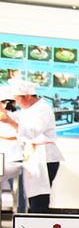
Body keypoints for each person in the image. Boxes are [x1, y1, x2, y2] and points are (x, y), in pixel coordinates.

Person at [0, 79, 64, 213]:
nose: (16, 103)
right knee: (33, 197)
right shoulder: (29, 109)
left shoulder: (42, 109)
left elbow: (32, 132)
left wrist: (9, 120)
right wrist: (6, 115)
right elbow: (19, 121)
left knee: (39, 200)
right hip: (34, 158)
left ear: (28, 96)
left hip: (45, 159)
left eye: (17, 99)